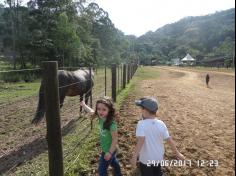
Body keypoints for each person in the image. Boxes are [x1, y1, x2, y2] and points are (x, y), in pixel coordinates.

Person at [130, 97, 185, 176]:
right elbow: (169, 139)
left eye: (141, 109)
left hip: (146, 159)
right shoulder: (161, 123)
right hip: (158, 158)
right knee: (158, 173)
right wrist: (177, 153)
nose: (141, 111)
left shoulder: (141, 124)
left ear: (145, 111)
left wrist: (135, 156)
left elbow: (141, 141)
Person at [80, 96, 122, 176]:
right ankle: (118, 173)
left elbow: (115, 139)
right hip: (106, 148)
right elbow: (91, 111)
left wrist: (109, 152)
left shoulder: (112, 125)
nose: (100, 112)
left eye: (104, 109)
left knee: (101, 170)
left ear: (109, 110)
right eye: (98, 109)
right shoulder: (100, 117)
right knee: (113, 162)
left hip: (109, 150)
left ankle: (118, 172)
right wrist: (84, 105)